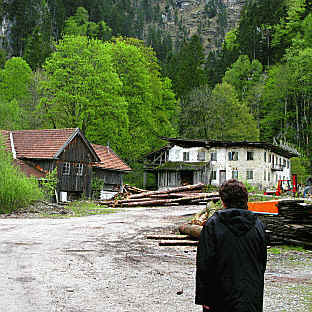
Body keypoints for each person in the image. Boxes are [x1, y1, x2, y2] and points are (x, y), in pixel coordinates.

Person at [195, 179, 267, 312]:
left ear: (223, 200)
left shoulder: (213, 224)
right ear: (246, 200)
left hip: (219, 298)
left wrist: (204, 297)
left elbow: (204, 263)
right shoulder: (258, 225)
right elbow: (262, 263)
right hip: (250, 297)